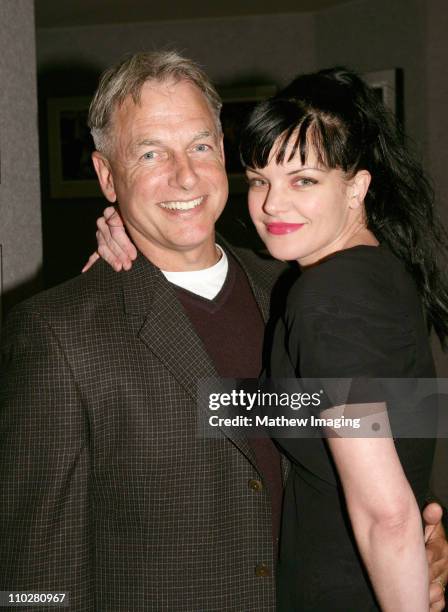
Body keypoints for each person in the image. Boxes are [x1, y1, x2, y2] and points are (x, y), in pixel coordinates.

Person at [1, 51, 445, 611]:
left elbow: (381, 433)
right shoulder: (56, 334)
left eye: (200, 146)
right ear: (106, 175)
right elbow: (29, 575)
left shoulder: (291, 286)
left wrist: (422, 529)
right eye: (149, 153)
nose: (184, 175)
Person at [239, 67, 448, 610]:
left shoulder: (327, 300)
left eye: (302, 180)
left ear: (355, 187)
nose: (271, 205)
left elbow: (388, 514)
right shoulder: (379, 272)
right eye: (259, 179)